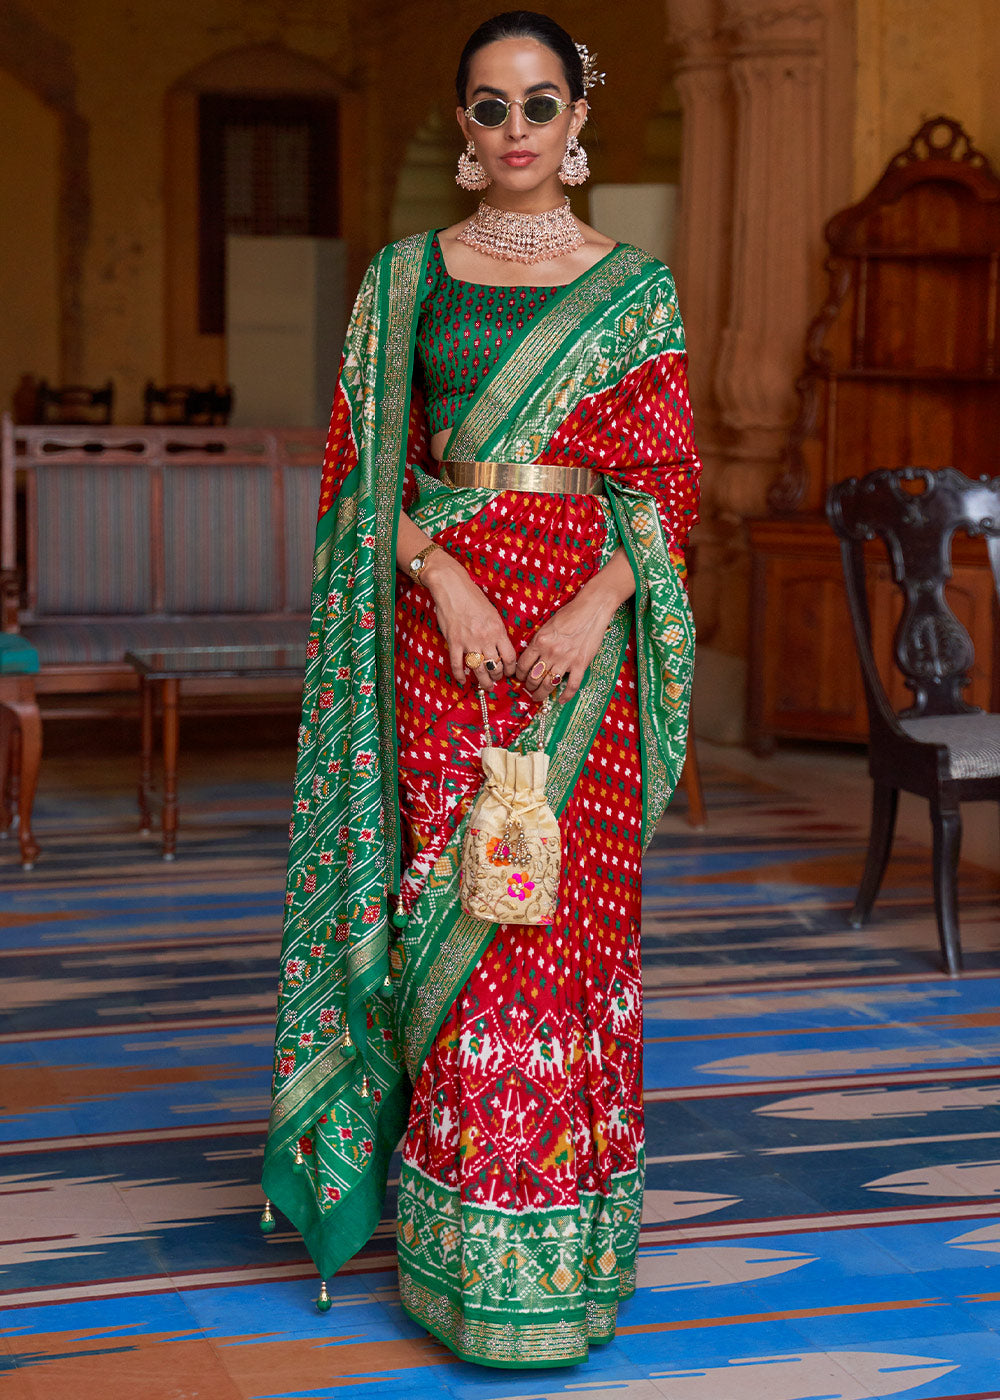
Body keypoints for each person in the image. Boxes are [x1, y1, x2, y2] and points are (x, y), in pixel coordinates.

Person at [260, 9, 701, 1369]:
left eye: (539, 103)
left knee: (566, 926)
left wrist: (592, 608)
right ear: (465, 128)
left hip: (584, 651)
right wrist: (439, 574)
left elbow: (669, 492)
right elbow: (357, 480)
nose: (516, 130)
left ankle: (564, 1248)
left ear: (581, 121)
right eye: (491, 107)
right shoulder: (405, 282)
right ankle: (457, 1255)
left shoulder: (637, 291)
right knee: (457, 904)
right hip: (444, 642)